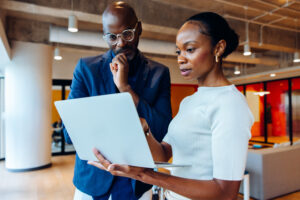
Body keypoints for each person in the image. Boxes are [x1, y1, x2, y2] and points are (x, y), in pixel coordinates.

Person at [88, 12, 254, 200]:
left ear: (219, 48)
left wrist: (143, 174)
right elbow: (164, 153)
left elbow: (225, 193)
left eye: (190, 49)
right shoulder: (189, 102)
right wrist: (144, 132)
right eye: (178, 51)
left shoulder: (230, 104)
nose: (181, 59)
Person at [63, 1, 172, 200]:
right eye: (112, 37)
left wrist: (126, 89)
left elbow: (163, 131)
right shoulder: (87, 69)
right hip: (92, 182)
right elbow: (69, 134)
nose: (120, 43)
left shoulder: (159, 73)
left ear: (139, 29)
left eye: (127, 34)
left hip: (137, 184)